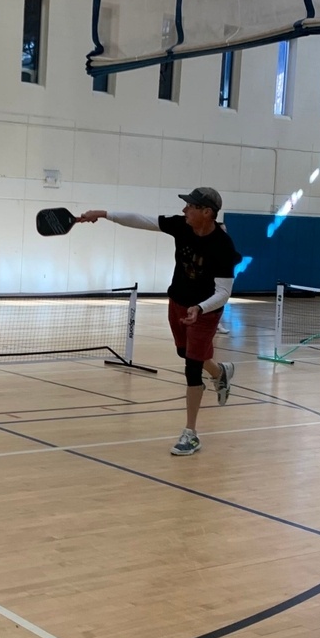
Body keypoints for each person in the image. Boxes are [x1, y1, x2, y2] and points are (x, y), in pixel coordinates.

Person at [79, 187, 239, 457]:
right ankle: (219, 372)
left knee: (191, 367)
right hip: (177, 301)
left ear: (207, 212)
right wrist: (104, 214)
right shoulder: (182, 226)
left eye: (190, 206)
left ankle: (191, 433)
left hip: (205, 311)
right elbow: (142, 220)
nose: (184, 210)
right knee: (184, 353)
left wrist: (200, 308)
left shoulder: (223, 247)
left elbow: (224, 292)